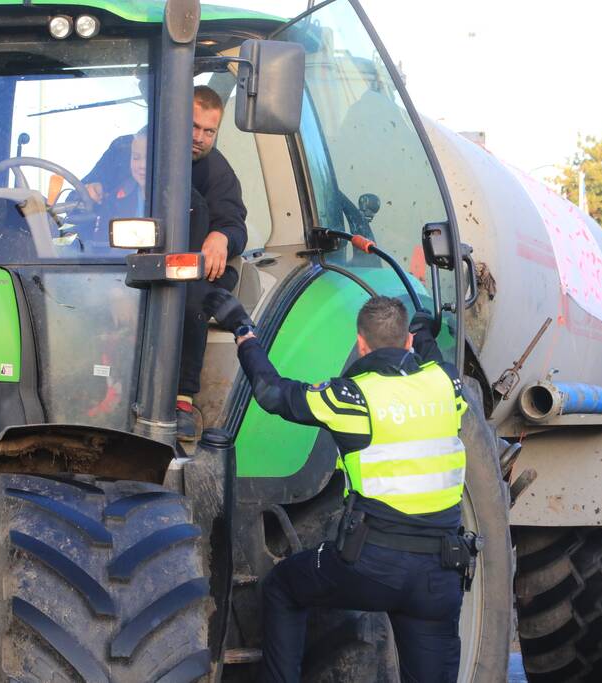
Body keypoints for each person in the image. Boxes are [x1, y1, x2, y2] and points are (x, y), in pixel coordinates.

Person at [203, 292, 476, 682]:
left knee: (284, 586)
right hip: (439, 575)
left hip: (372, 568)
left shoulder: (351, 398)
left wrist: (244, 332)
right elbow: (433, 358)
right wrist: (423, 328)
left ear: (361, 343)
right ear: (408, 341)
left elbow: (271, 393)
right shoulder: (446, 385)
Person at [83, 85, 248, 438]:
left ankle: (182, 400)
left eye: (209, 131)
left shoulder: (215, 172)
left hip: (182, 266)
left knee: (191, 301)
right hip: (121, 258)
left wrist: (222, 236)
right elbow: (88, 190)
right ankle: (95, 388)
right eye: (193, 127)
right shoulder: (125, 150)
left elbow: (234, 221)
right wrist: (89, 190)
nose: (200, 138)